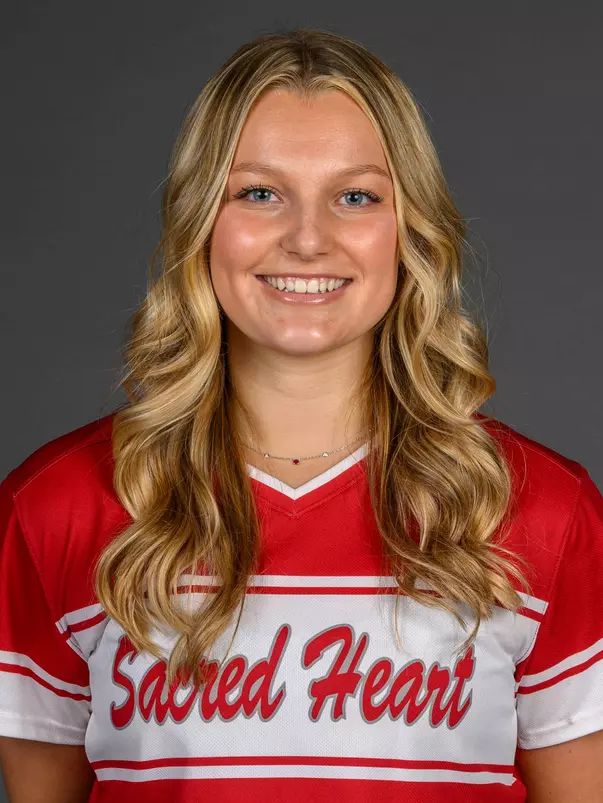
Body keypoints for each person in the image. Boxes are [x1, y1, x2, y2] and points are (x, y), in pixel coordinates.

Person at [0, 27, 602, 803]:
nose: (308, 238)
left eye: (355, 196)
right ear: (199, 222)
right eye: (258, 193)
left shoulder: (542, 511)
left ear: (407, 228)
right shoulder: (56, 504)